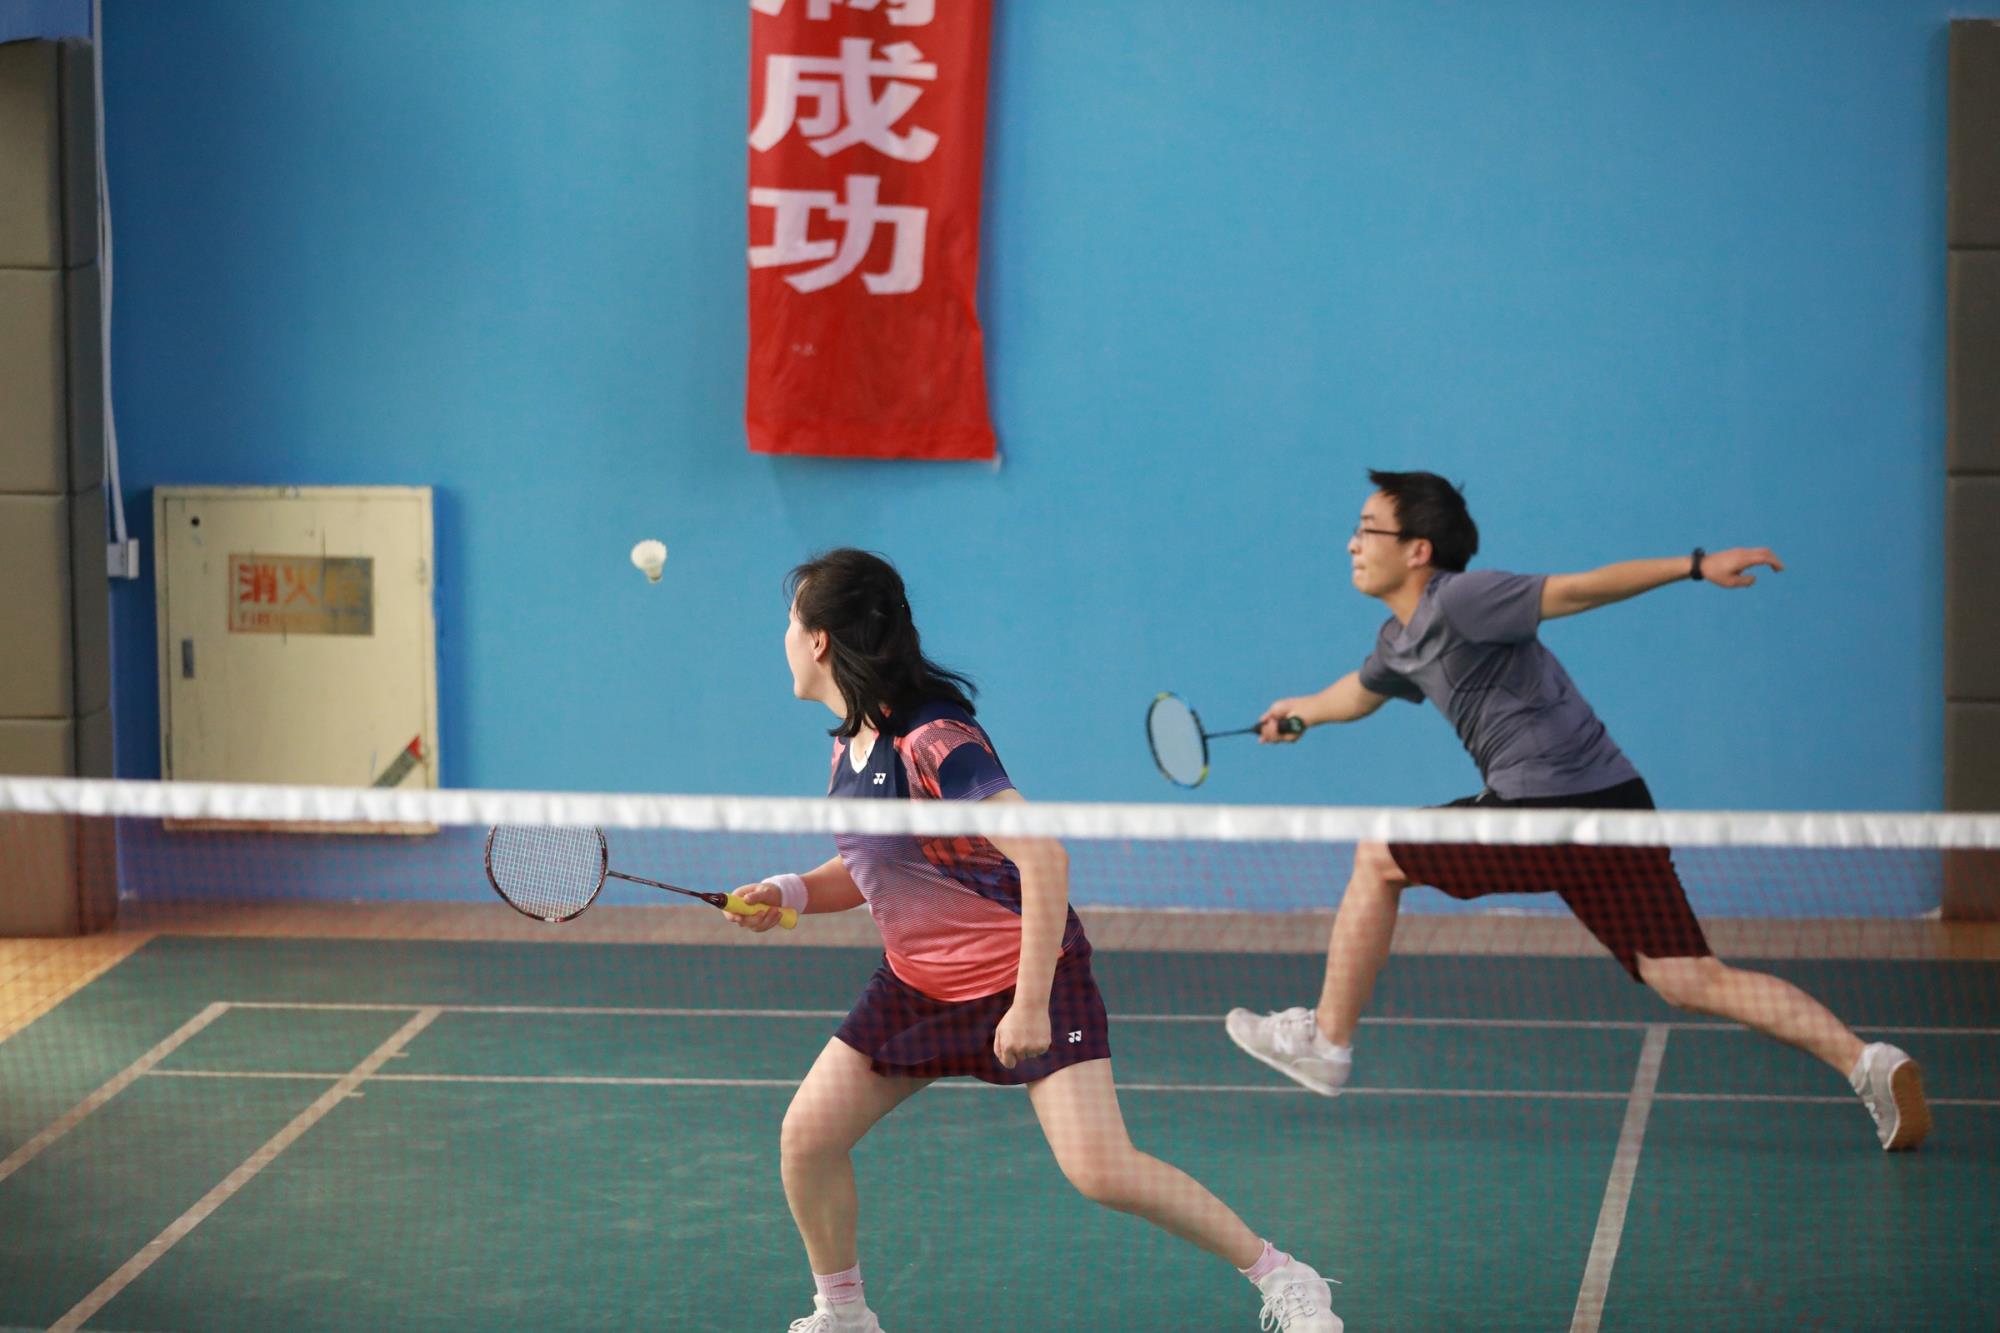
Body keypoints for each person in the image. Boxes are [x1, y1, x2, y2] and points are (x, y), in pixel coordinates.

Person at [1225, 470, 1931, 1153]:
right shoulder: (1400, 639)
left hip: (1548, 805)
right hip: (1616, 803)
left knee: (1380, 854)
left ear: (1417, 549)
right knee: (1687, 976)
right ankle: (1866, 1061)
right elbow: (1360, 691)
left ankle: (1327, 1040)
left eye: (1368, 528)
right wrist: (1301, 714)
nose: (1352, 543)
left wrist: (1694, 566)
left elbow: (1580, 588)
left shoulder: (1463, 598)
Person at [733, 548, 1343, 1333]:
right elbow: (873, 868)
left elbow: (1044, 855)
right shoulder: (850, 748)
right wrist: (786, 892)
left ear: (819, 639)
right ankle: (844, 1314)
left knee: (1101, 1170)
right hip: (918, 986)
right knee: (807, 1137)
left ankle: (1284, 1276)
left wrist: (1028, 1003)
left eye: (789, 622)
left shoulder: (935, 739)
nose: (782, 637)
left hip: (1027, 975)